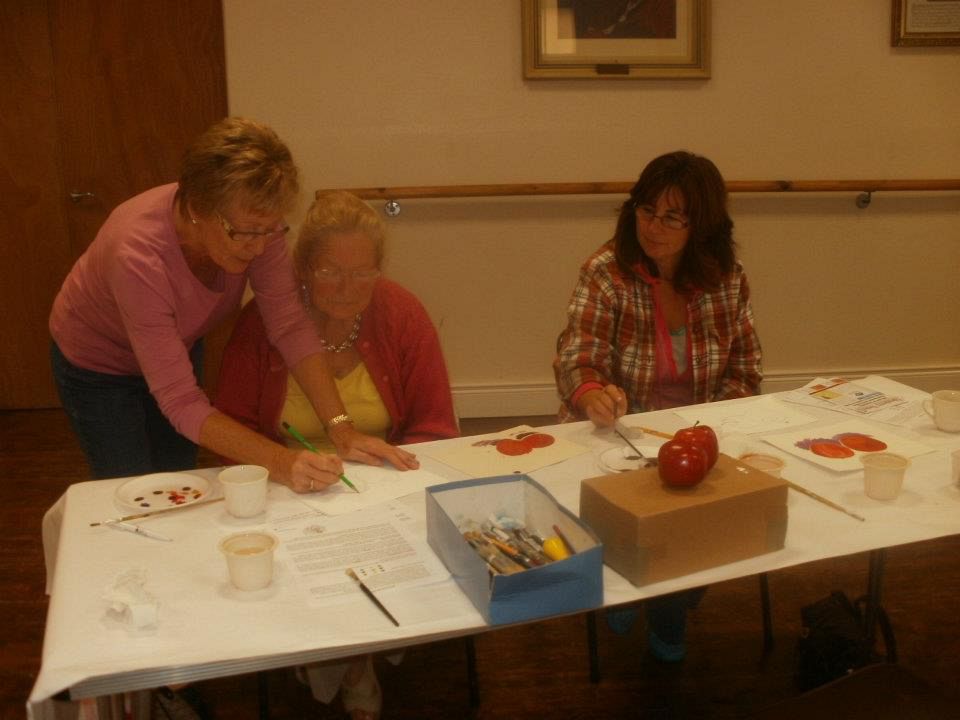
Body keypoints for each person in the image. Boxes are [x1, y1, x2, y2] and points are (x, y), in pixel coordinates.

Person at [48, 117, 417, 494]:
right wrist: (280, 462)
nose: (259, 246)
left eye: (270, 229)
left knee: (177, 474)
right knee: (131, 486)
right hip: (99, 365)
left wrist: (342, 429)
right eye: (245, 233)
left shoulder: (256, 225)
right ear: (198, 207)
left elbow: (289, 326)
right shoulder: (137, 256)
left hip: (175, 343)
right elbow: (181, 400)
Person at [215, 190, 459, 719]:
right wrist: (280, 470)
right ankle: (345, 655)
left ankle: (348, 658)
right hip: (284, 487)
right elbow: (229, 431)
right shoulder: (263, 322)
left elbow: (437, 428)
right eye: (330, 272)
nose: (348, 289)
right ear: (303, 268)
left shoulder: (402, 314)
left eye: (363, 273)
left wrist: (388, 479)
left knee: (371, 551)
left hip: (380, 486)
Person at [553, 150, 762, 661]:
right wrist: (592, 394)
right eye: (646, 210)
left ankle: (666, 596)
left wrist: (716, 427)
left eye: (672, 217)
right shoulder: (606, 271)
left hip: (699, 434)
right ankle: (644, 589)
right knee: (642, 517)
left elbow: (745, 367)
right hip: (622, 436)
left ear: (702, 225)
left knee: (701, 520)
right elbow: (578, 356)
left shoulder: (726, 275)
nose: (653, 227)